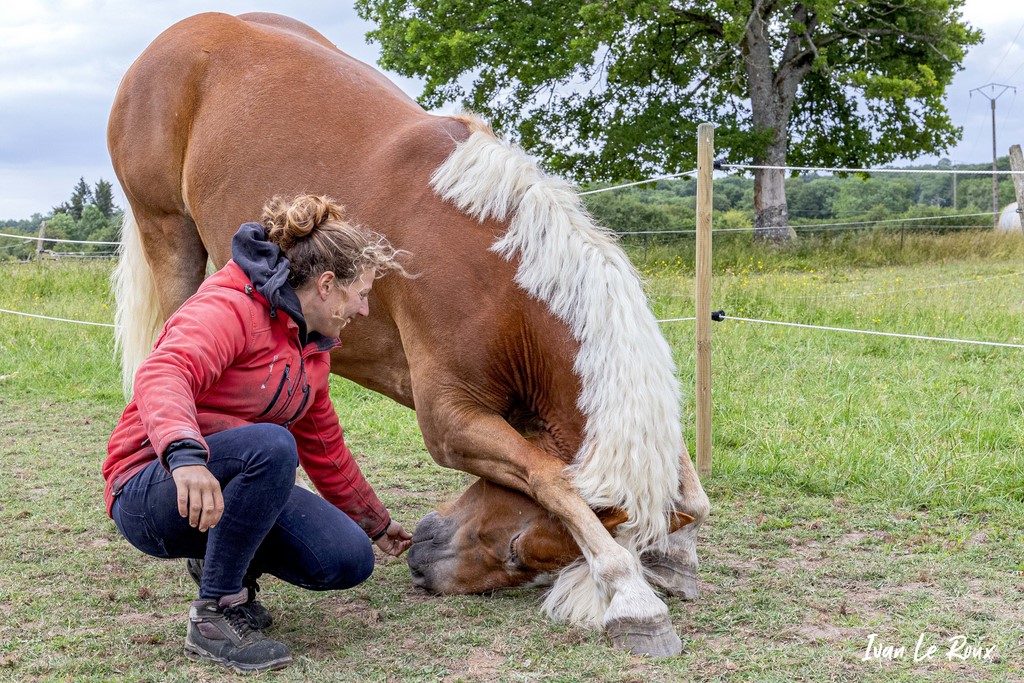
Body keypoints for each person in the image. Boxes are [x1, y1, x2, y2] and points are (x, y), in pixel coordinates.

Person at [102, 194, 414, 673]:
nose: (366, 310)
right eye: (363, 294)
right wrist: (185, 458)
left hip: (222, 482)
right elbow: (162, 373)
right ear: (327, 284)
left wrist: (374, 522)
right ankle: (216, 613)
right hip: (150, 486)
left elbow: (324, 446)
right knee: (271, 447)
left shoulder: (310, 344)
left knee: (348, 559)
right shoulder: (229, 307)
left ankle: (220, 559)